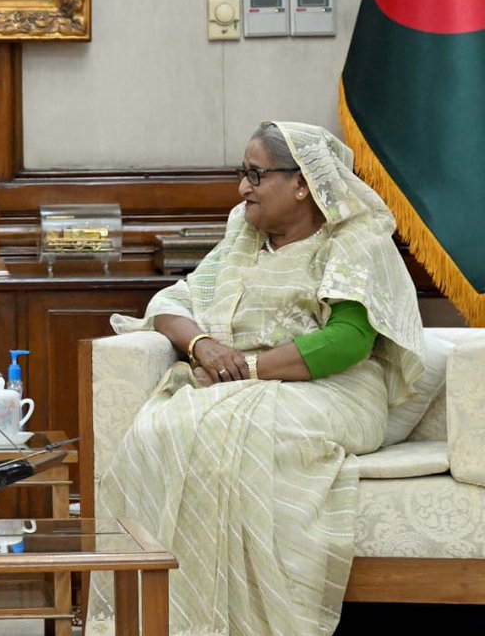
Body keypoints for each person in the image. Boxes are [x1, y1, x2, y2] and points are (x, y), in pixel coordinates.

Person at [90, 122, 425, 635]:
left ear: (302, 183)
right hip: (234, 383)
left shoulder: (355, 240)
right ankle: (170, 620)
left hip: (334, 389)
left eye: (254, 174)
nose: (242, 188)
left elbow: (349, 340)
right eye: (242, 174)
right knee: (157, 432)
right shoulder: (243, 236)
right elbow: (170, 303)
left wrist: (244, 369)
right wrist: (204, 345)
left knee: (249, 435)